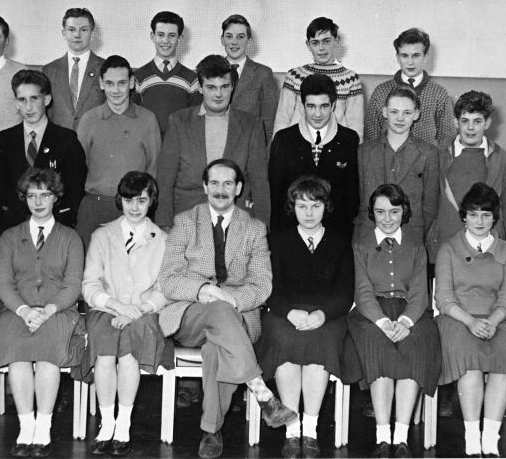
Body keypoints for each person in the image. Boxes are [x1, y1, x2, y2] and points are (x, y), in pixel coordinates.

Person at [158, 159, 296, 459]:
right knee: (219, 312)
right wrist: (202, 290)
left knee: (216, 349)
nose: (221, 190)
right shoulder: (185, 222)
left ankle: (211, 431)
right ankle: (261, 390)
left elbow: (262, 285)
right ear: (205, 187)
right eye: (215, 183)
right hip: (190, 313)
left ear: (239, 188)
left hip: (236, 317)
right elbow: (168, 279)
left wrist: (231, 300)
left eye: (228, 184)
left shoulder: (255, 228)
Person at [255, 175, 354, 458]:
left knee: (320, 344)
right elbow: (270, 288)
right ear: (292, 208)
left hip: (327, 316)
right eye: (301, 206)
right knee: (284, 341)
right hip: (286, 312)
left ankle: (309, 429)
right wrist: (290, 312)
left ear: (326, 207)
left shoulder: (339, 242)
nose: (309, 213)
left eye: (315, 205)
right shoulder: (280, 241)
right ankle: (292, 429)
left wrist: (323, 314)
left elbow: (345, 292)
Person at [0, 168, 84, 458]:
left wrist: (47, 310)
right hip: (15, 311)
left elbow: (73, 285)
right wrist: (22, 309)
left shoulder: (71, 238)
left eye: (45, 194)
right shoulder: (9, 237)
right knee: (16, 352)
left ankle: (43, 427)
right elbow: (3, 284)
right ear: (24, 199)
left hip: (58, 312)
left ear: (56, 197)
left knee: (48, 353)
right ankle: (25, 426)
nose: (38, 201)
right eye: (32, 195)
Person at [344, 184, 441, 458]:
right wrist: (384, 323)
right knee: (379, 348)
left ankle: (401, 437)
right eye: (380, 212)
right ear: (372, 214)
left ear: (404, 212)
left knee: (415, 347)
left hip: (411, 311)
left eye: (394, 211)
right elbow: (362, 293)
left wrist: (407, 322)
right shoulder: (360, 246)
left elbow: (421, 293)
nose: (387, 218)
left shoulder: (415, 247)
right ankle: (383, 435)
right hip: (371, 314)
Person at [434, 183, 506, 458]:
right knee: (471, 362)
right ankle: (472, 436)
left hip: (496, 319)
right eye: (474, 214)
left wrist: (493, 320)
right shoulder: (448, 249)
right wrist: (470, 322)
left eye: (486, 215)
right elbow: (444, 298)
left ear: (494, 217)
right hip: (457, 320)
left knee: (505, 358)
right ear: (464, 216)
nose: (480, 221)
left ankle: (491, 437)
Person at [82, 171, 172, 456]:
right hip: (106, 309)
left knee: (129, 353)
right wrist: (116, 306)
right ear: (119, 201)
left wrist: (139, 310)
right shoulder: (102, 235)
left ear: (151, 202)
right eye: (128, 200)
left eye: (142, 200)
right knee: (106, 353)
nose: (135, 207)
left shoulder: (163, 239)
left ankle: (124, 423)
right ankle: (106, 423)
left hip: (144, 313)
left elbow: (166, 288)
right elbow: (89, 284)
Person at [157, 55, 270, 229]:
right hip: (187, 221)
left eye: (224, 86)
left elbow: (260, 183)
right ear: (200, 88)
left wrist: (263, 229)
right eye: (211, 87)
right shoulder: (179, 121)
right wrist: (164, 225)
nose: (218, 94)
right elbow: (165, 180)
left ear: (233, 86)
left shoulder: (251, 125)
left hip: (236, 223)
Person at [75, 55, 161, 248]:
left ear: (131, 83)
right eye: (110, 83)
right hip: (95, 208)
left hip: (135, 208)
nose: (115, 90)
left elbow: (154, 167)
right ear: (101, 84)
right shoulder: (89, 120)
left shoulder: (147, 119)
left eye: (122, 83)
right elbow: (79, 167)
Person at [0, 70, 87, 235]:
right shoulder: (5, 139)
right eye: (22, 100)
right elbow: (1, 187)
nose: (28, 107)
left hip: (55, 225)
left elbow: (76, 187)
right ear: (16, 102)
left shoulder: (66, 138)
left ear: (46, 99)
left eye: (34, 98)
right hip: (15, 227)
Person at [427, 91, 506, 261]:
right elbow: (429, 203)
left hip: (486, 250)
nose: (470, 128)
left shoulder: (502, 159)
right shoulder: (438, 156)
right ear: (455, 122)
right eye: (465, 121)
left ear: (487, 123)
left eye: (477, 121)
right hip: (445, 246)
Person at [269, 73, 359, 236]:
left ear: (333, 105)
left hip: (335, 234)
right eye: (311, 106)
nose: (317, 114)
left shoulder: (349, 140)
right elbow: (276, 196)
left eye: (324, 106)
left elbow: (352, 197)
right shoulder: (284, 140)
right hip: (292, 233)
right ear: (302, 105)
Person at [355, 85, 439, 246]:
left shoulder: (428, 153)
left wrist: (417, 231)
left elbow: (430, 204)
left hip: (410, 235)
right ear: (385, 112)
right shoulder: (364, 151)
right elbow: (359, 196)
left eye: (407, 113)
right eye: (394, 112)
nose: (400, 118)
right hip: (369, 234)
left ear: (416, 115)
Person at [364, 28, 456, 147]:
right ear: (397, 57)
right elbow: (371, 133)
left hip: (426, 162)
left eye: (416, 56)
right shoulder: (381, 91)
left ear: (426, 56)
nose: (410, 62)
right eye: (404, 56)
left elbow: (447, 136)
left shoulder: (439, 93)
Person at [273, 17, 363, 138]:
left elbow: (355, 126)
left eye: (326, 41)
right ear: (308, 45)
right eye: (315, 42)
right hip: (297, 147)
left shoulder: (351, 79)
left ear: (337, 41)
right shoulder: (294, 76)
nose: (321, 48)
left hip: (336, 148)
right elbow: (282, 120)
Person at [134, 11, 201, 138]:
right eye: (160, 35)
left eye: (171, 35)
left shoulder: (192, 80)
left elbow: (194, 121)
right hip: (148, 145)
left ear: (180, 38)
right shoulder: (138, 77)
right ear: (152, 36)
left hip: (179, 146)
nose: (165, 40)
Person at [42, 8, 106, 130]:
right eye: (71, 29)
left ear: (92, 34)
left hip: (94, 142)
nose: (77, 35)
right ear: (64, 33)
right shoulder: (49, 71)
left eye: (83, 29)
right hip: (59, 144)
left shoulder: (106, 68)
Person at [220, 14, 279, 143]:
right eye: (229, 36)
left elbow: (268, 122)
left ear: (249, 40)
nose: (234, 42)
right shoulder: (212, 70)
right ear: (222, 40)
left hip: (249, 145)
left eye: (241, 37)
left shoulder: (263, 73)